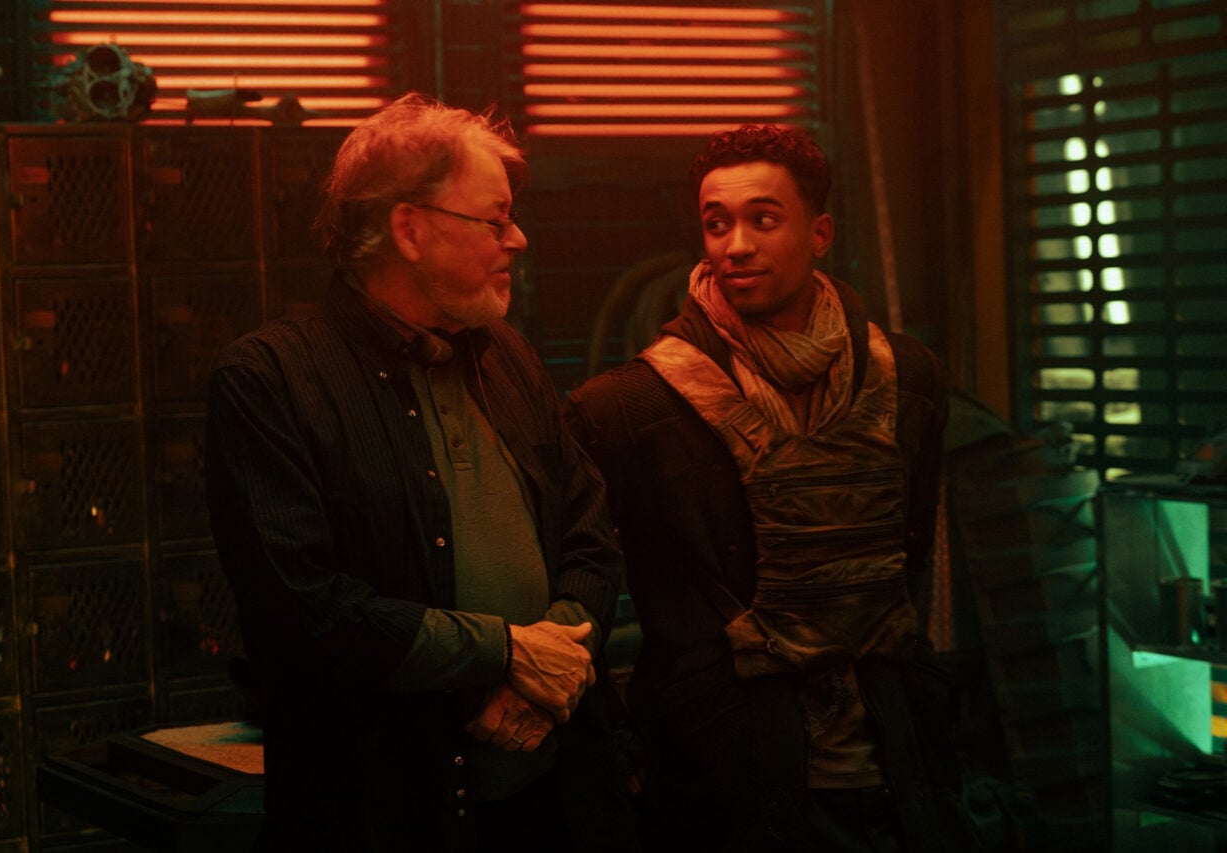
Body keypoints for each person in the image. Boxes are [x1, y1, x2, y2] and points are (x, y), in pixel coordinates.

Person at [205, 93, 627, 851]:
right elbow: (305, 610)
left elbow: (589, 529)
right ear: (409, 229)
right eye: (494, 220)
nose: (519, 238)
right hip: (386, 810)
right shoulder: (270, 379)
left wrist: (548, 668)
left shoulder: (505, 352)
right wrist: (505, 650)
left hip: (550, 794)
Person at [564, 124, 977, 852]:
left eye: (763, 219)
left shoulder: (907, 377)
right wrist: (619, 747)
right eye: (716, 223)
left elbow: (906, 556)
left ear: (820, 233)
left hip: (892, 761)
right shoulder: (631, 407)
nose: (736, 245)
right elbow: (575, 584)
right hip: (724, 772)